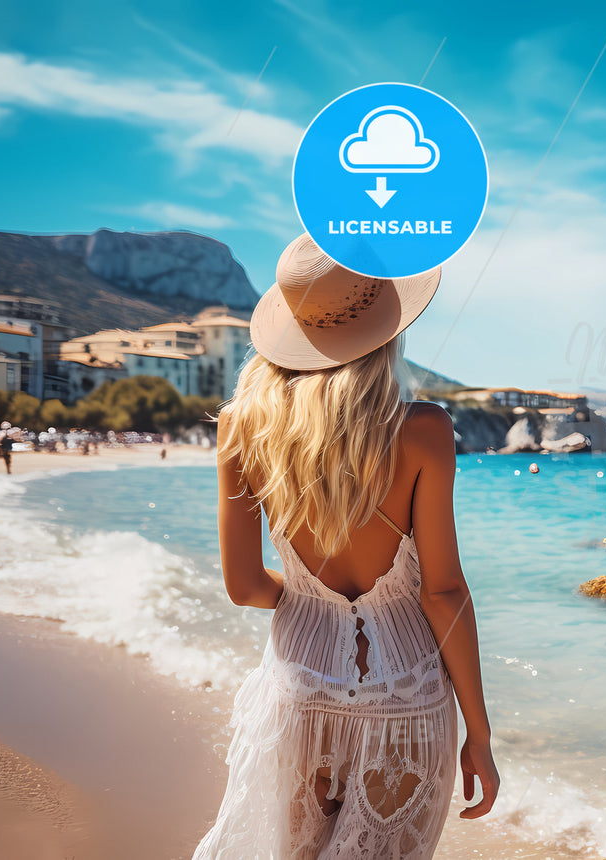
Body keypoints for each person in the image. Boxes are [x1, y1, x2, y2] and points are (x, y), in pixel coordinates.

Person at [192, 233, 497, 859]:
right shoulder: (423, 431)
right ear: (386, 328)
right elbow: (442, 592)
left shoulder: (242, 426)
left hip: (302, 688)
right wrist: (480, 734)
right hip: (405, 700)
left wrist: (310, 596)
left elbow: (245, 588)